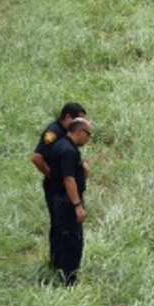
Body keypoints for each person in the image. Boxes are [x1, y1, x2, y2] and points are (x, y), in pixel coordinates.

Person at [31, 102, 87, 264]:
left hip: (63, 187)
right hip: (58, 189)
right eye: (78, 120)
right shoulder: (54, 133)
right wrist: (53, 176)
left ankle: (57, 262)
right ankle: (62, 264)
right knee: (63, 227)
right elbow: (37, 158)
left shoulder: (67, 136)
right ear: (68, 117)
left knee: (61, 226)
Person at [46, 117, 93, 285]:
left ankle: (57, 269)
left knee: (60, 235)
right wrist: (78, 205)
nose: (89, 139)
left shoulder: (61, 145)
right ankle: (69, 279)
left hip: (59, 198)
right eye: (88, 134)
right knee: (72, 240)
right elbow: (68, 179)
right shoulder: (68, 151)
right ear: (79, 132)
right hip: (67, 202)